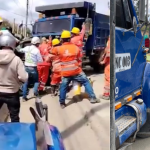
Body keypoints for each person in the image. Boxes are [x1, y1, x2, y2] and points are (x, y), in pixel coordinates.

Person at [52, 30, 100, 108]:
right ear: (69, 39)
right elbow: (79, 59)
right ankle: (93, 98)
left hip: (65, 73)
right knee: (86, 82)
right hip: (76, 71)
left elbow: (50, 51)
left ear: (62, 39)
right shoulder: (76, 48)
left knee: (63, 86)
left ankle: (62, 103)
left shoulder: (58, 49)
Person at [0, 34, 28, 122]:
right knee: (14, 117)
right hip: (12, 93)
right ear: (12, 45)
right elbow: (24, 77)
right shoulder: (16, 59)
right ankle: (14, 135)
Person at [19, 37, 43, 101]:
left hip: (26, 67)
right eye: (38, 43)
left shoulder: (27, 48)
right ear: (37, 43)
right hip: (33, 68)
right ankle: (35, 93)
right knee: (36, 81)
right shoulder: (36, 50)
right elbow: (40, 60)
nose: (39, 45)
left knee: (25, 82)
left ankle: (24, 97)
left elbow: (20, 50)